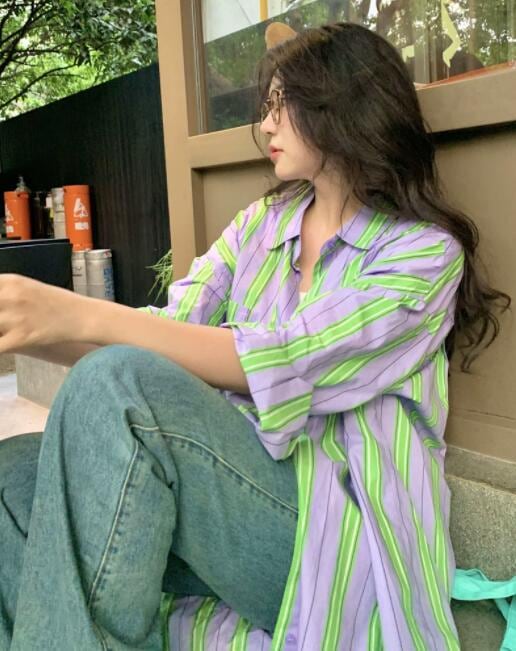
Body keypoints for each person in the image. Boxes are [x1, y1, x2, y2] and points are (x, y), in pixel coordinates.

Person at [0, 21, 509, 651]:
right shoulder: (262, 226)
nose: (265, 125)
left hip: (331, 533)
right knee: (14, 474)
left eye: (281, 105)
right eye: (265, 107)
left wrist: (77, 314)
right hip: (233, 499)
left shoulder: (422, 256)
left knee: (116, 384)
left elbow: (289, 357)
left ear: (341, 106)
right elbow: (170, 332)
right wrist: (27, 329)